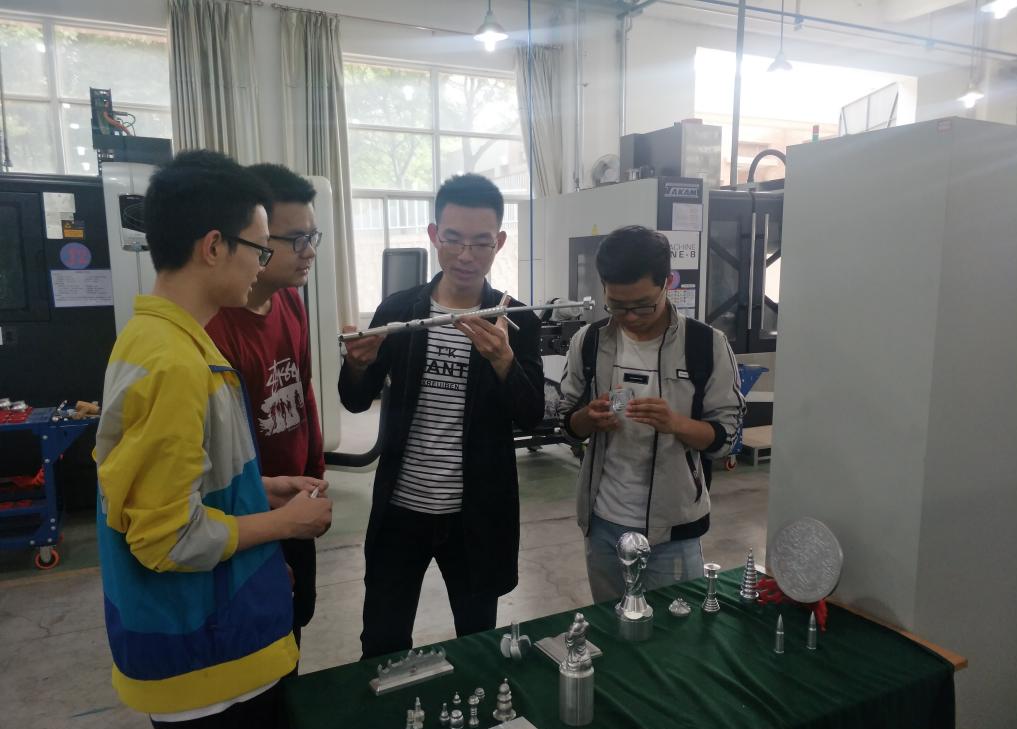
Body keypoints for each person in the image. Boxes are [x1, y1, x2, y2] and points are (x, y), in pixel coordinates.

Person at [94, 150, 332, 729]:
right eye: (257, 247)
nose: (262, 262)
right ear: (213, 247)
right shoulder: (175, 364)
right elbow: (166, 536)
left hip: (212, 641)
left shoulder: (162, 339)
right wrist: (283, 524)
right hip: (205, 656)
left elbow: (184, 484)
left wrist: (262, 488)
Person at [339, 173, 544, 659]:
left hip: (476, 514)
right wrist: (357, 365)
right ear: (434, 235)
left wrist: (504, 362)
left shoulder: (516, 320)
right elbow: (355, 400)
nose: (466, 255)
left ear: (499, 242)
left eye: (481, 242)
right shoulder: (400, 310)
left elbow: (532, 415)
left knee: (477, 643)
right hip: (401, 509)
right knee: (383, 642)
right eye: (453, 239)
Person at [558, 225, 744, 604]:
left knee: (677, 631)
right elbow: (566, 423)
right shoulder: (589, 342)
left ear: (667, 283)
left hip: (673, 529)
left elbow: (727, 436)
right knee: (612, 625)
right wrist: (587, 418)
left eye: (643, 305)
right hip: (603, 524)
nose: (630, 316)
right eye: (616, 305)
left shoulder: (706, 345)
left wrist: (676, 424)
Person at [206, 163, 327, 651]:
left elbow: (303, 392)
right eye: (296, 240)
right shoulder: (215, 330)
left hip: (296, 500)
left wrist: (315, 477)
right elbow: (220, 459)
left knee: (296, 622)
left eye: (312, 236)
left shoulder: (290, 301)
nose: (309, 251)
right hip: (248, 517)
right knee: (261, 640)